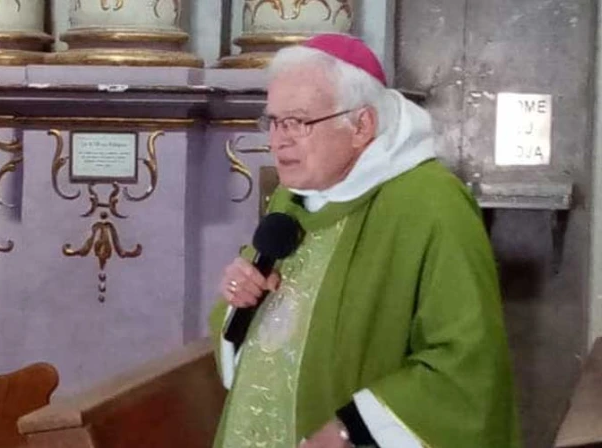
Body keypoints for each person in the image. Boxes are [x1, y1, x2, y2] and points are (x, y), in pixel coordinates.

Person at [209, 33, 521, 448]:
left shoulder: (431, 205)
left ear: (361, 125)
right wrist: (241, 298)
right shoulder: (292, 197)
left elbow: (467, 364)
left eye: (298, 122)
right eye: (274, 121)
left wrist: (352, 429)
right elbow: (268, 331)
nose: (278, 140)